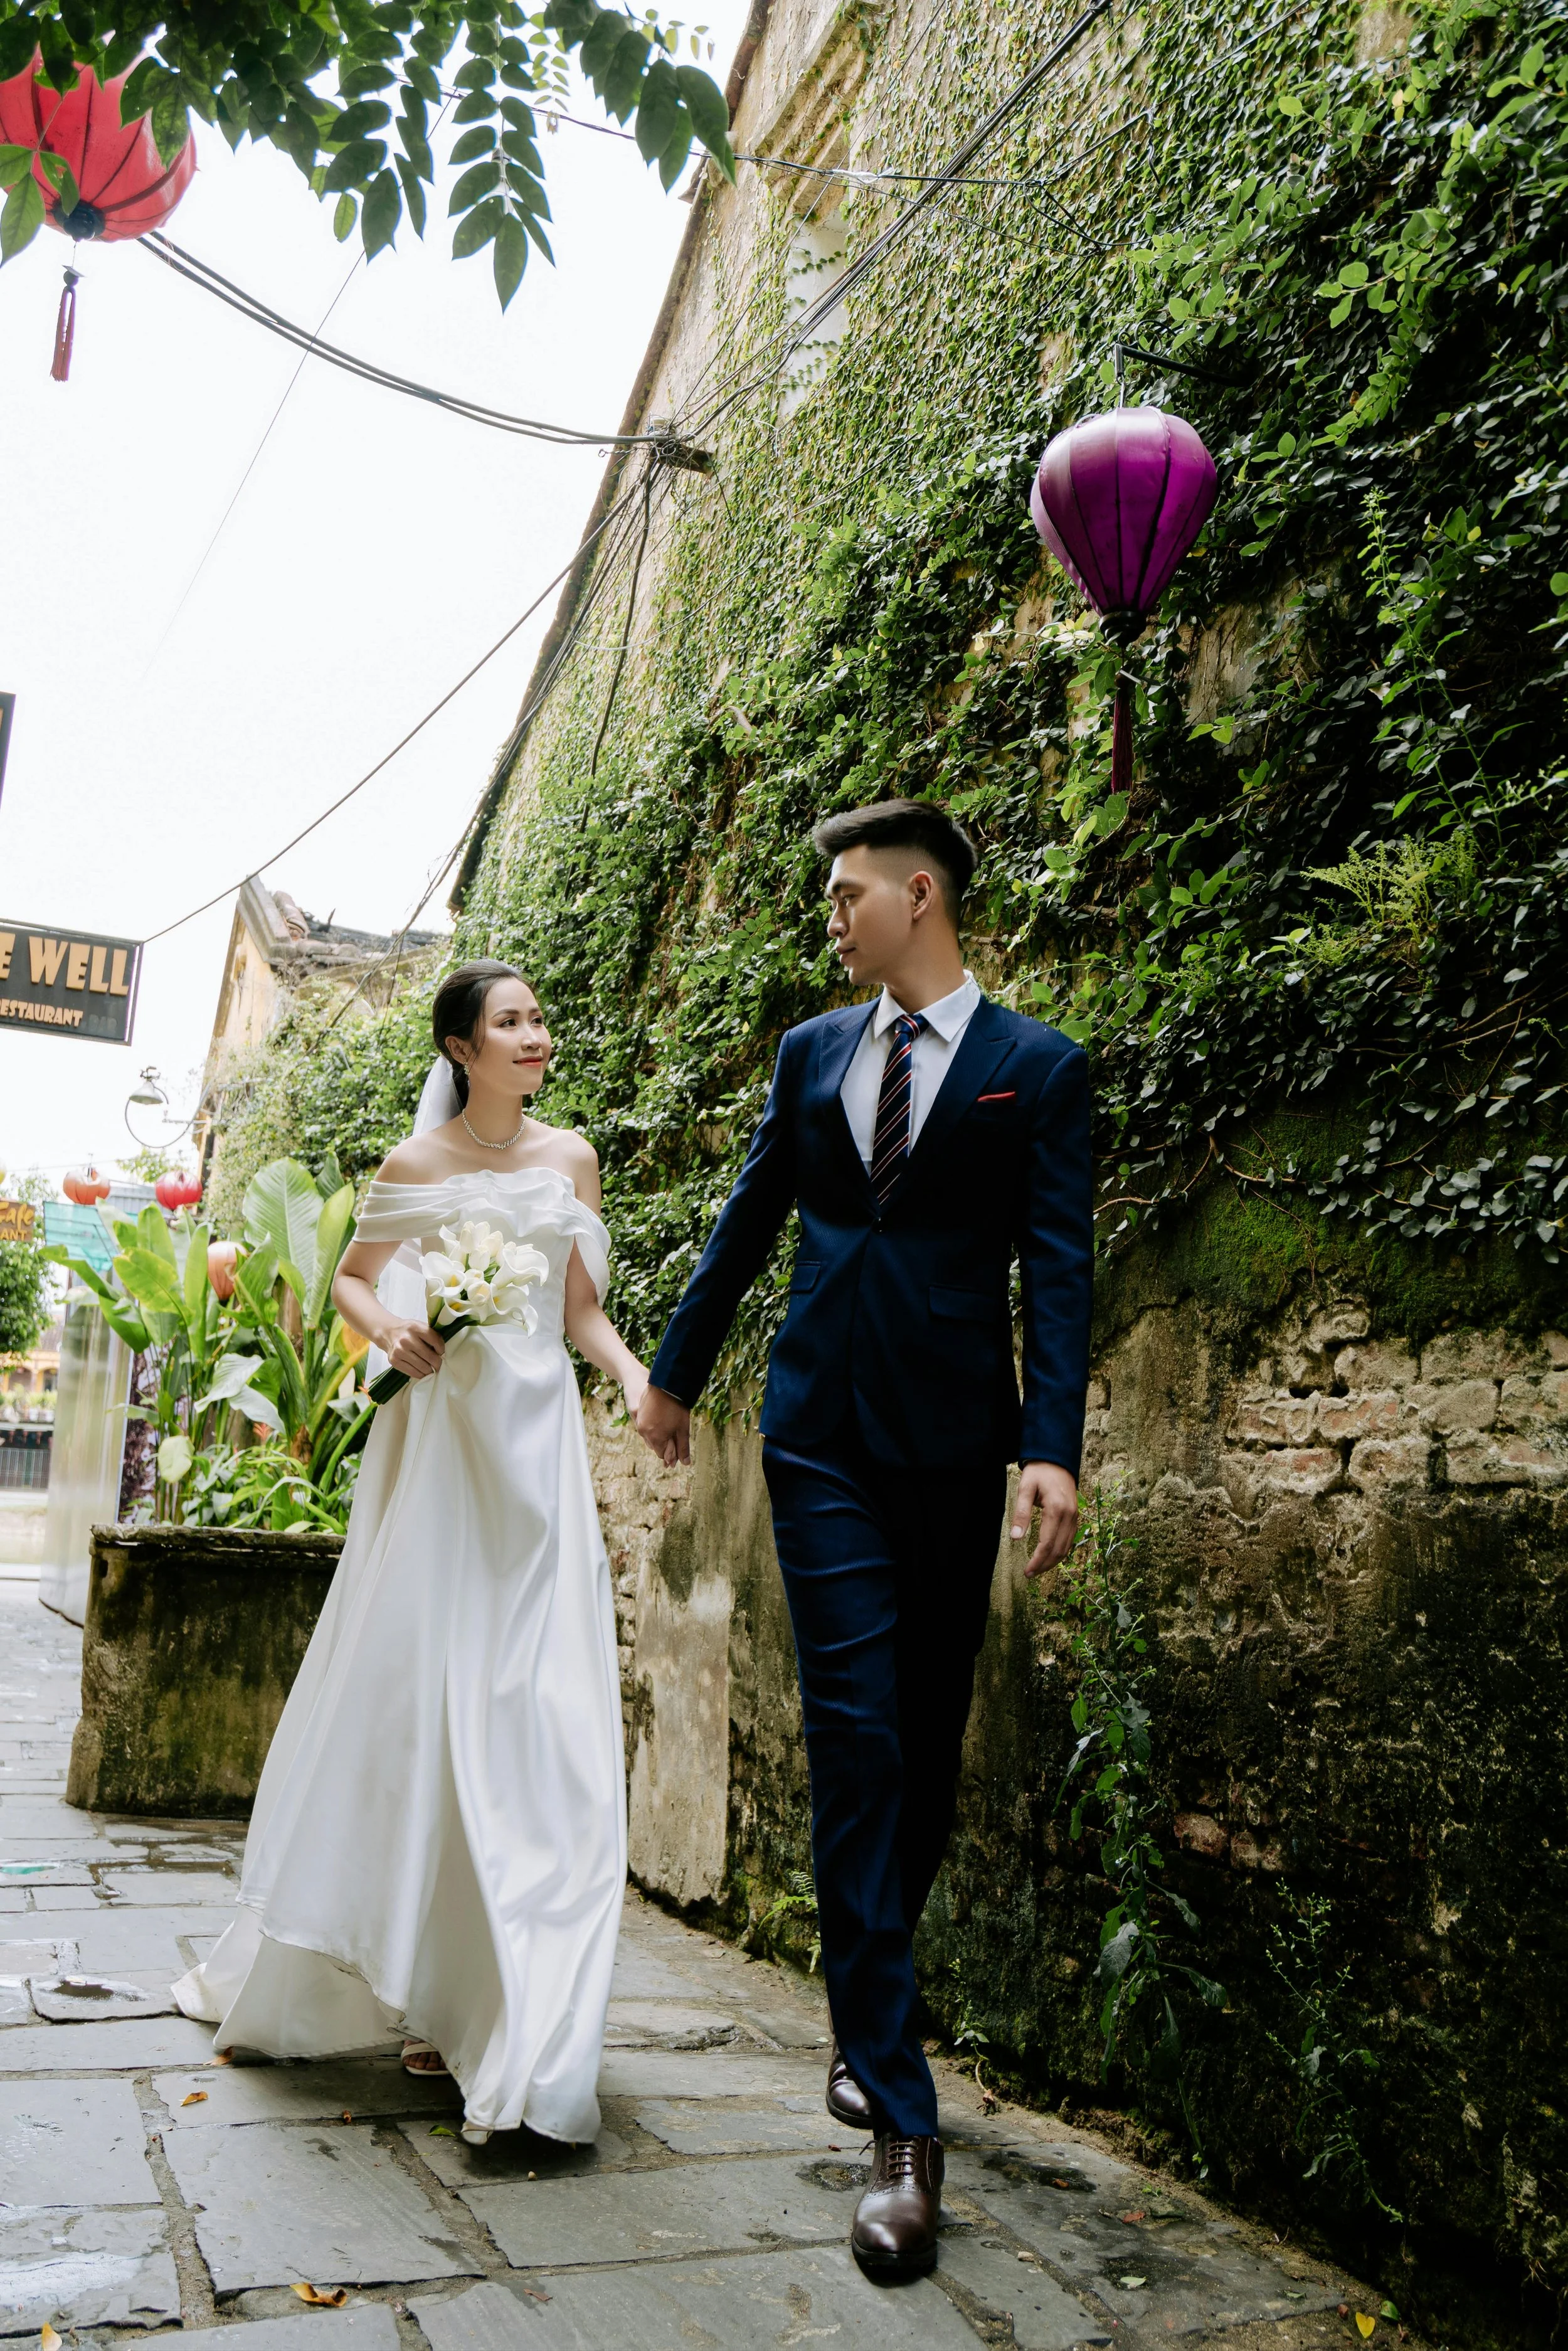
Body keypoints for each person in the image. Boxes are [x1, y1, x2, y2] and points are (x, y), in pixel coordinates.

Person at [635, 800, 1092, 2278]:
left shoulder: (1036, 1070)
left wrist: (1049, 1447)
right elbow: (750, 1214)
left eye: (845, 895)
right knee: (857, 1736)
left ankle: (864, 1998)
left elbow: (1059, 1271)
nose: (829, 917)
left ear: (917, 895)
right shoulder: (810, 1053)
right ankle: (901, 2118)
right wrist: (674, 1373)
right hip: (817, 1428)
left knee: (924, 1734)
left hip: (957, 1441)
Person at [174, 962, 648, 2148]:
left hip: (538, 1469)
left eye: (541, 1017)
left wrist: (643, 1380)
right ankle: (434, 1983)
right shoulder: (415, 1168)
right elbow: (351, 1275)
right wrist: (387, 1321)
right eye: (511, 1021)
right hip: (441, 1458)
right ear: (460, 1046)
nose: (536, 1034)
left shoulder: (574, 1158)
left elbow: (581, 1311)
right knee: (434, 1706)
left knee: (540, 1718)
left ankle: (516, 2005)